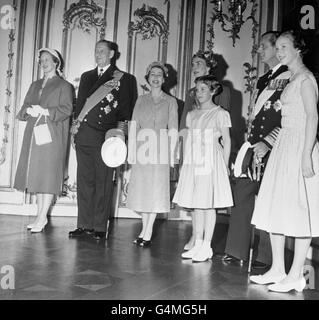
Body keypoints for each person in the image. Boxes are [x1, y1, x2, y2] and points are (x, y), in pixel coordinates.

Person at [250, 30, 319, 292]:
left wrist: (306, 156)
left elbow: (312, 117)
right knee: (274, 206)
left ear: (297, 49)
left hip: (300, 147)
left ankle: (296, 274)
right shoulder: (290, 79)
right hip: (284, 145)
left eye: (283, 47)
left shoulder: (306, 79)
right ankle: (278, 268)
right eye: (276, 47)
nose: (278, 52)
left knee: (300, 210)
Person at [222, 31, 291, 267]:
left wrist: (269, 141)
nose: (259, 50)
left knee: (269, 200)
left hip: (275, 146)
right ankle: (236, 250)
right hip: (254, 145)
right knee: (242, 194)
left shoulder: (292, 76)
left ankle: (264, 256)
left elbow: (291, 117)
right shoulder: (264, 79)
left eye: (263, 46)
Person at [69, 40, 137, 240]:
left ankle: (99, 226)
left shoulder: (124, 79)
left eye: (101, 51)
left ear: (112, 54)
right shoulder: (86, 76)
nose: (97, 54)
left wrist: (119, 136)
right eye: (95, 51)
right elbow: (80, 105)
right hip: (85, 135)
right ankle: (84, 224)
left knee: (104, 182)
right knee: (84, 181)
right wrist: (76, 130)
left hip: (106, 137)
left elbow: (125, 111)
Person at [173, 75, 233, 262]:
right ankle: (198, 243)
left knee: (208, 205)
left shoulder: (220, 113)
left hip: (211, 161)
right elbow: (190, 140)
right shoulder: (191, 115)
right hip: (194, 160)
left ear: (213, 91)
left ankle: (207, 246)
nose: (199, 93)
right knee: (197, 205)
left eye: (203, 89)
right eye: (197, 89)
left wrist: (224, 164)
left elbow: (227, 141)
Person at [14, 48, 74, 233]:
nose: (44, 63)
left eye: (48, 59)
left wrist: (46, 111)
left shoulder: (64, 86)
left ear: (56, 62)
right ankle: (40, 216)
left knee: (48, 176)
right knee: (39, 176)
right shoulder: (35, 85)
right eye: (41, 60)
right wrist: (29, 110)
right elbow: (23, 107)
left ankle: (42, 217)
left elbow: (67, 109)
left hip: (52, 135)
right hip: (34, 136)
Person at [126, 61, 178, 247]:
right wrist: (131, 151)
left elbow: (173, 128)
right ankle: (144, 228)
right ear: (148, 78)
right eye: (152, 74)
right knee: (144, 190)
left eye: (159, 75)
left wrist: (172, 155)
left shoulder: (171, 102)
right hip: (142, 149)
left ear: (164, 79)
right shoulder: (141, 100)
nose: (156, 78)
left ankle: (147, 232)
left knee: (156, 191)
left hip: (161, 150)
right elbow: (134, 125)